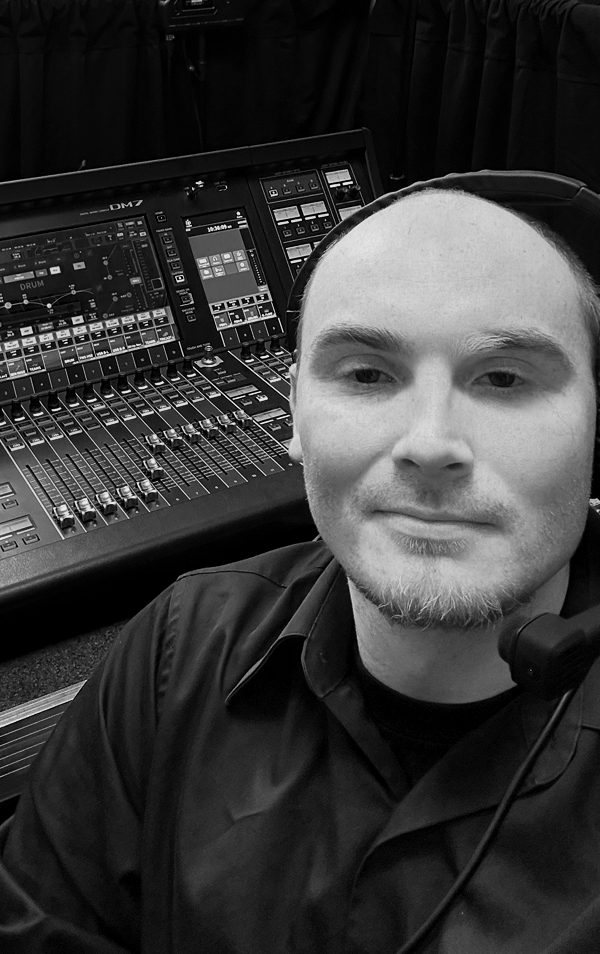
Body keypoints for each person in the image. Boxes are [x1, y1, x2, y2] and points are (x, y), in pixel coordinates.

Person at [1, 185, 600, 954]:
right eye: (366, 375)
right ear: (293, 412)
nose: (430, 443)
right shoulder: (178, 648)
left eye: (505, 379)